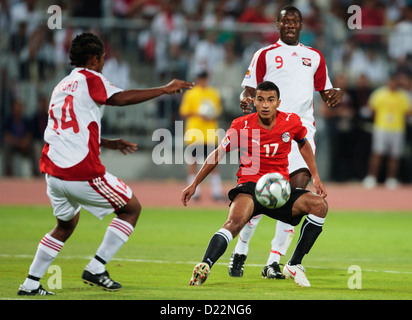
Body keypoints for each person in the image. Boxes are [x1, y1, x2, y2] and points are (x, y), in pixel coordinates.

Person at [17, 32, 193, 296]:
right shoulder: (91, 78)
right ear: (93, 59)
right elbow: (119, 99)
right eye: (102, 59)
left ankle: (30, 283)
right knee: (131, 209)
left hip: (53, 174)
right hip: (80, 173)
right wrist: (164, 89)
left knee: (65, 226)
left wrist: (108, 143)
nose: (103, 64)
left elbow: (69, 128)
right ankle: (96, 268)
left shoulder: (61, 86)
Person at [229, 5, 343, 279]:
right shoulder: (264, 54)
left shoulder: (314, 56)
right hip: (268, 133)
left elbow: (325, 91)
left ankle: (273, 261)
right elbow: (249, 88)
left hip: (301, 134)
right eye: (285, 20)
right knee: (260, 195)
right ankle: (240, 250)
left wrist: (334, 95)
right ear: (277, 25)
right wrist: (245, 99)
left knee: (293, 199)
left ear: (302, 25)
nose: (290, 24)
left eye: (295, 20)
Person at [182, 81, 328, 287]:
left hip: (280, 191)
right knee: (233, 224)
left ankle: (293, 264)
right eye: (260, 99)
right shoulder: (241, 125)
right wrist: (195, 183)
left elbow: (303, 143)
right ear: (254, 102)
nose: (266, 104)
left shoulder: (291, 122)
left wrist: (316, 176)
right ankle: (205, 265)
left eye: (270, 100)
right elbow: (219, 153)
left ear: (278, 102)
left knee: (319, 205)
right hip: (250, 188)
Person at [179, 70, 224, 201]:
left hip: (210, 133)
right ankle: (194, 192)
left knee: (213, 163)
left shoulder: (213, 93)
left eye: (204, 78)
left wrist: (211, 114)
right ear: (197, 79)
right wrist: (199, 114)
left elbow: (218, 111)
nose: (203, 81)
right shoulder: (191, 94)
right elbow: (184, 112)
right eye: (201, 78)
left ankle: (216, 192)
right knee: (193, 163)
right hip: (195, 133)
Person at [362, 74, 411, 189]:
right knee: (377, 153)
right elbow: (372, 110)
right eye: (391, 82)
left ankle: (391, 178)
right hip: (381, 128)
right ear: (388, 82)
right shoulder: (379, 94)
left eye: (395, 82)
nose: (393, 84)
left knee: (395, 155)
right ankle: (371, 177)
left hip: (397, 129)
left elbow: (408, 113)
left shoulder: (404, 96)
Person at [2, 100, 39, 177]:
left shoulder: (26, 120)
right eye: (16, 109)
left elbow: (29, 135)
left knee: (34, 147)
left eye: (19, 109)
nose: (18, 111)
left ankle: (36, 171)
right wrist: (18, 142)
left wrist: (25, 142)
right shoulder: (8, 120)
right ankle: (8, 171)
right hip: (13, 144)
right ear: (13, 110)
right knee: (6, 146)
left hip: (24, 145)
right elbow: (7, 136)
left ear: (22, 109)